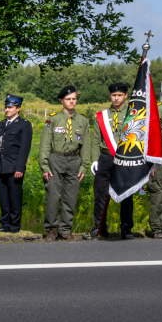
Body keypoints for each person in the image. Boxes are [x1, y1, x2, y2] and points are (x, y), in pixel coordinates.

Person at [38, 86, 93, 241]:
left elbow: (86, 145)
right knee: (53, 195)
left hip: (74, 160)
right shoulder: (53, 119)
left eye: (74, 99)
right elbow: (45, 144)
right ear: (62, 100)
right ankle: (52, 229)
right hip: (56, 158)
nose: (71, 102)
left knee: (71, 196)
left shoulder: (83, 120)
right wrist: (44, 166)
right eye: (68, 99)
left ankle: (65, 229)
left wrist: (84, 166)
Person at [88, 82, 130, 240]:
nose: (116, 98)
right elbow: (95, 140)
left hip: (126, 158)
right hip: (105, 158)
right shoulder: (102, 116)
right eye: (113, 95)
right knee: (100, 193)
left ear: (125, 95)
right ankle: (99, 228)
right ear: (110, 96)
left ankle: (126, 229)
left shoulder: (133, 114)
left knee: (127, 194)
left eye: (119, 95)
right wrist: (94, 159)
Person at [0, 95, 32, 233]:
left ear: (18, 109)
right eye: (6, 107)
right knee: (3, 197)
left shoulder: (24, 124)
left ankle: (14, 224)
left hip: (14, 167)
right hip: (0, 166)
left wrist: (20, 168)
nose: (7, 110)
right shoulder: (0, 125)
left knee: (15, 197)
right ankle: (5, 223)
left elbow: (24, 149)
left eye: (10, 107)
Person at [148, 114, 162, 239]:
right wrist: (152, 160)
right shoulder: (159, 109)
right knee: (159, 191)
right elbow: (150, 133)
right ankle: (158, 228)